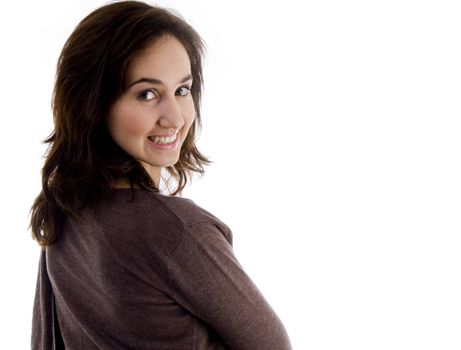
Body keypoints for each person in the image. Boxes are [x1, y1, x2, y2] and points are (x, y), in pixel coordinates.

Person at [28, 1, 293, 349]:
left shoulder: (66, 207)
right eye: (147, 94)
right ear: (93, 104)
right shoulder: (176, 232)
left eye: (182, 90)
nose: (175, 118)